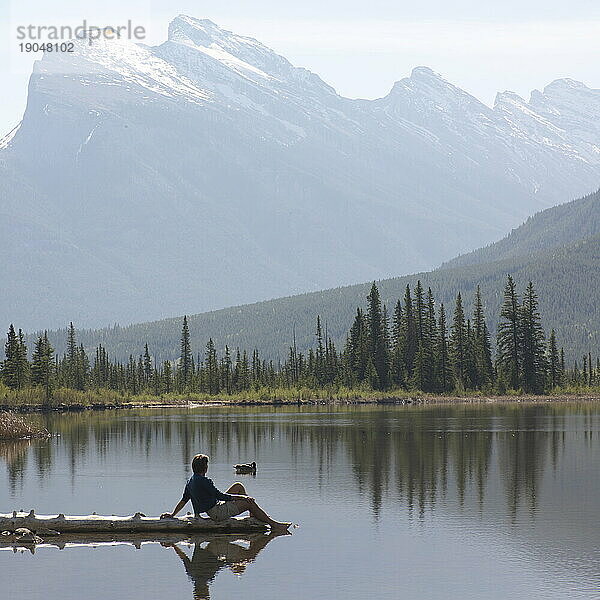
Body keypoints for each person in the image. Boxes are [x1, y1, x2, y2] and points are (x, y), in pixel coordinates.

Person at [161, 454, 291, 531]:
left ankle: (254, 516)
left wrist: (173, 514)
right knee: (250, 503)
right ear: (205, 467)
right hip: (217, 513)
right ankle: (273, 524)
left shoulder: (191, 481)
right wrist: (243, 499)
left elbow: (183, 501)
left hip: (213, 506)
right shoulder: (205, 481)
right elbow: (221, 496)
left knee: (238, 485)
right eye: (207, 465)